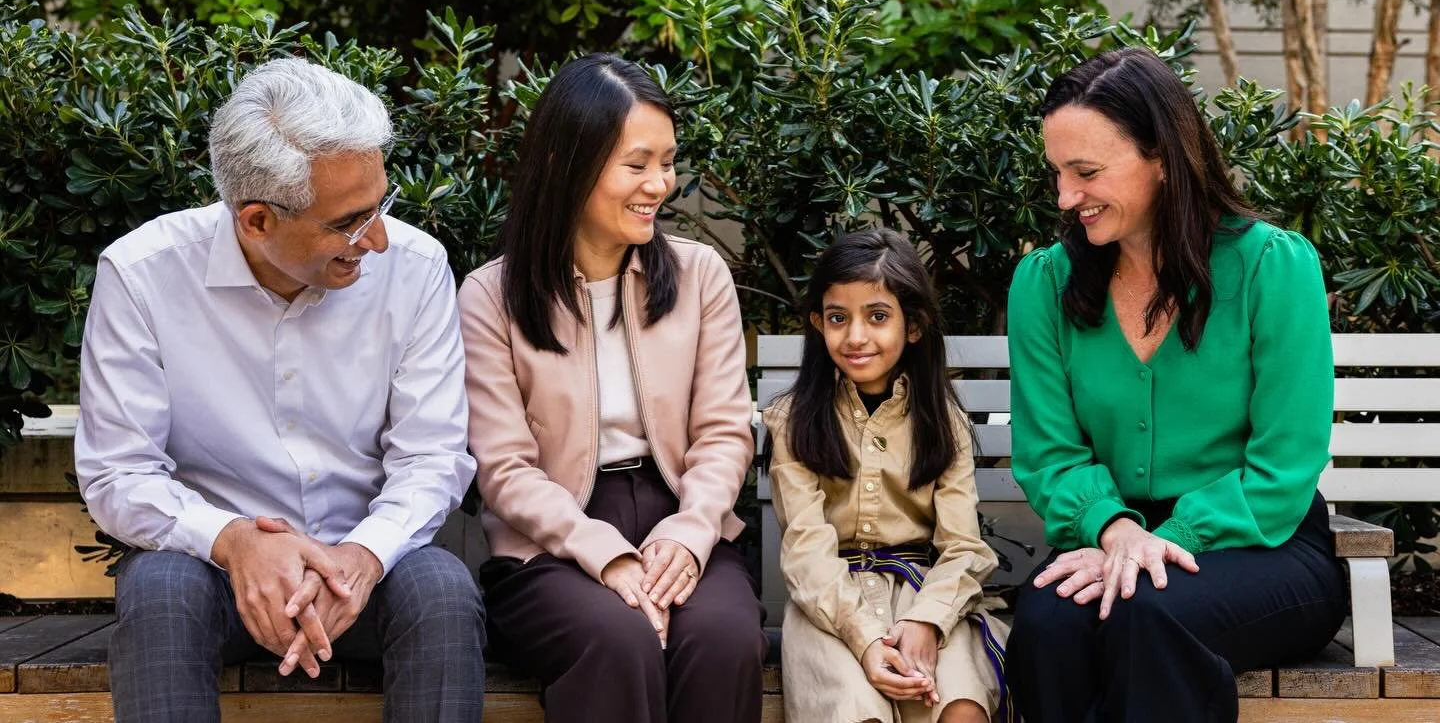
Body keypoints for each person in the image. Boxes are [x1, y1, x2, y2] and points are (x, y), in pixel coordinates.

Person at [74, 58, 486, 723]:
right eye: (349, 222)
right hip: (218, 577)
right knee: (158, 589)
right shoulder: (142, 274)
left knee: (440, 587)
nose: (377, 238)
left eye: (381, 205)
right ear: (257, 221)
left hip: (366, 569)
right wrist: (236, 540)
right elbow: (119, 471)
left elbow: (432, 456)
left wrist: (363, 554)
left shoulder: (415, 268)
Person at [1004, 47, 1347, 723]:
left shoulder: (1273, 269)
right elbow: (1050, 455)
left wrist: (1172, 535)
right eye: (1057, 174)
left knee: (1151, 614)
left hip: (1266, 546)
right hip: (1106, 535)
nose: (1066, 198)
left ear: (1161, 155)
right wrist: (1116, 529)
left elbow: (1285, 465)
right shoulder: (1043, 284)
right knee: (1046, 628)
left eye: (1087, 172)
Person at [458, 53, 765, 723]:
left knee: (723, 639)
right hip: (551, 542)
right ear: (567, 166)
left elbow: (723, 432)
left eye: (668, 161)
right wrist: (608, 555)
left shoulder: (699, 274)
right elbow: (504, 469)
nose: (659, 183)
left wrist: (687, 535)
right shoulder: (492, 295)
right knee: (616, 636)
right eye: (637, 164)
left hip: (683, 517)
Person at [763, 228, 1008, 723]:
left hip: (928, 595)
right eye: (837, 318)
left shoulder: (943, 421)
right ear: (817, 324)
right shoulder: (795, 421)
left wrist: (927, 622)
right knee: (858, 711)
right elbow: (806, 552)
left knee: (957, 707)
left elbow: (963, 546)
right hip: (831, 605)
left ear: (912, 326)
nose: (855, 336)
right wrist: (867, 638)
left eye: (877, 316)